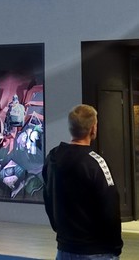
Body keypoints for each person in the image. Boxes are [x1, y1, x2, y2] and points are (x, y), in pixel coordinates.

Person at [43, 103, 122, 260]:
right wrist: (115, 246)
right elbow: (110, 208)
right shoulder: (96, 163)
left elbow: (48, 198)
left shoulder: (52, 158)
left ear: (71, 128)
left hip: (65, 248)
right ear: (93, 129)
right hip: (96, 250)